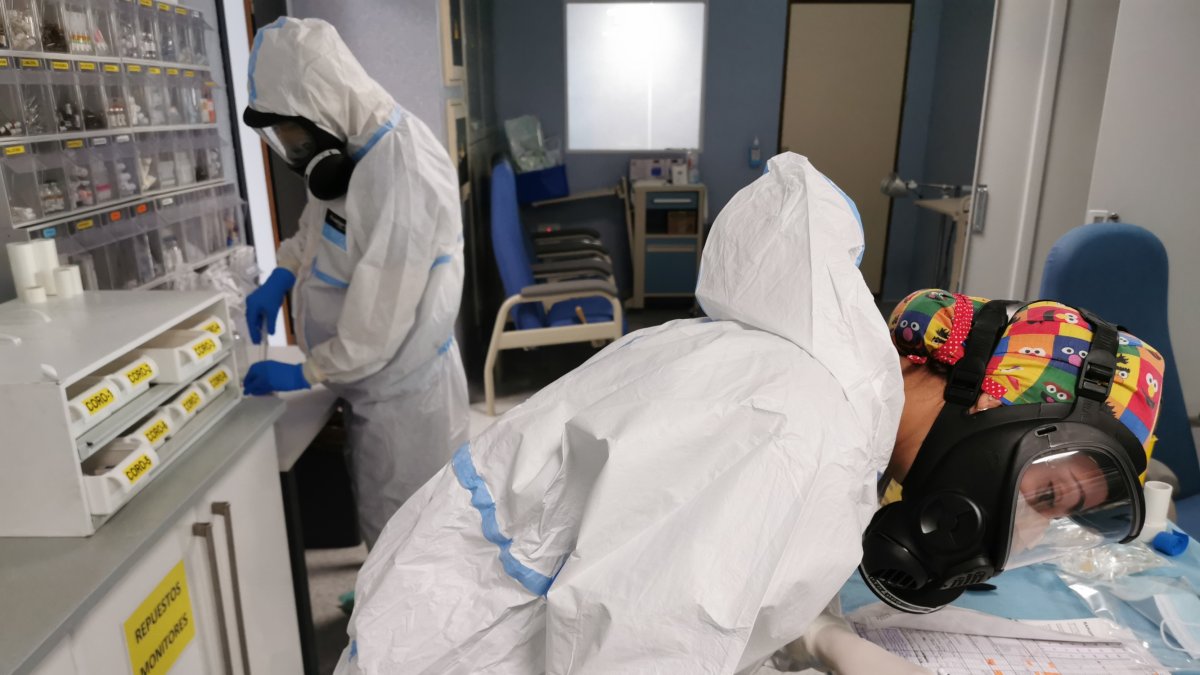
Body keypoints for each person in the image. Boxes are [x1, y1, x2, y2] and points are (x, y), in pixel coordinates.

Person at [333, 154, 1164, 674]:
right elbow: (630, 652)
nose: (1029, 526)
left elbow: (706, 574)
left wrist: (819, 637)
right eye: (1049, 495)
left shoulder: (832, 403)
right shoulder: (799, 421)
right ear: (999, 399)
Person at [239, 17, 469, 549]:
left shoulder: (403, 172)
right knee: (379, 508)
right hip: (365, 383)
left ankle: (394, 624)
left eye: (290, 133)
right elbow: (318, 228)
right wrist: (284, 271)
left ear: (317, 104)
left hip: (402, 393)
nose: (290, 149)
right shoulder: (347, 149)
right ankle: (376, 587)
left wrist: (308, 370)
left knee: (406, 525)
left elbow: (378, 326)